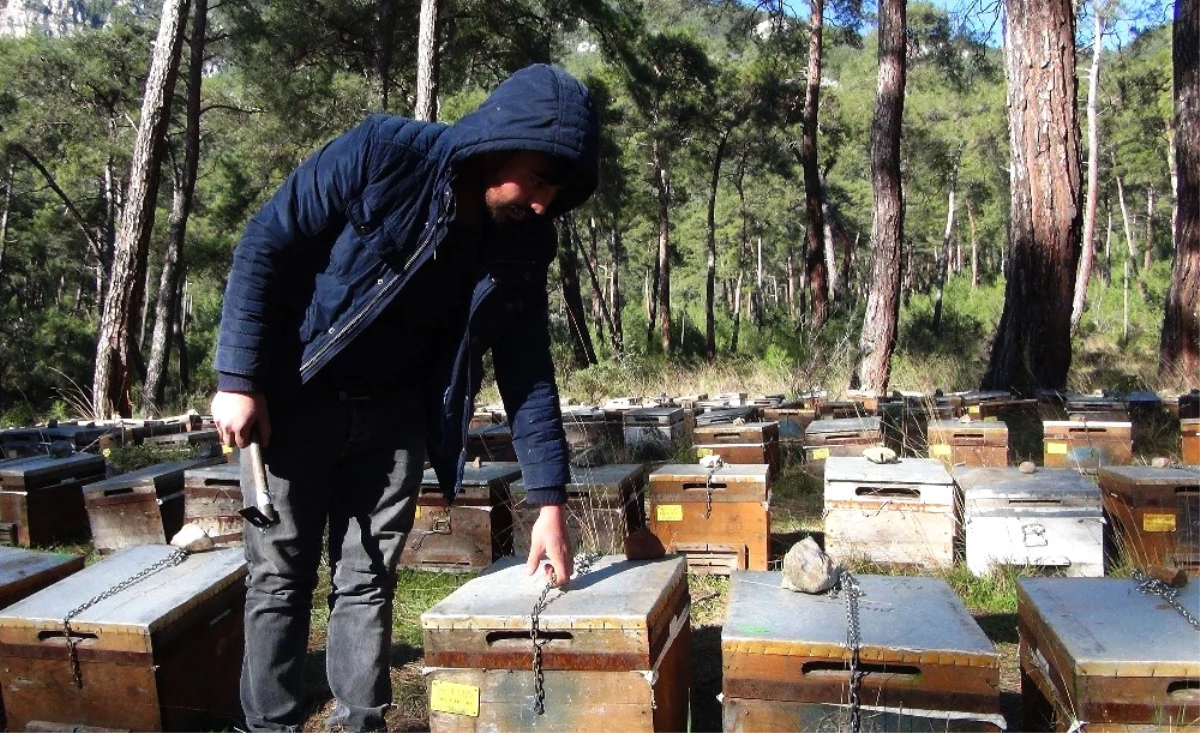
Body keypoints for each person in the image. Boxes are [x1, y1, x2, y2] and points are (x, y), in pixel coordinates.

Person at [210, 63, 600, 733]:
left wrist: (549, 501)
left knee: (367, 578)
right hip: (299, 397)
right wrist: (238, 378)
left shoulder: (527, 242)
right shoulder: (382, 155)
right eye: (538, 178)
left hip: (396, 421)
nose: (542, 203)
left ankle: (360, 721)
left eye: (557, 190)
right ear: (499, 140)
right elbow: (266, 240)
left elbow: (528, 369)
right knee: (280, 577)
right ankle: (267, 724)